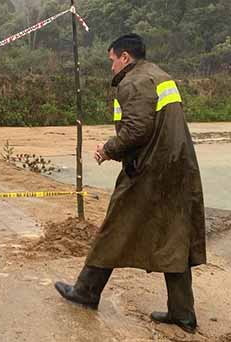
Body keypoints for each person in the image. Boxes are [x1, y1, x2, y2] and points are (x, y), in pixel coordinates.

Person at [54, 34, 206, 334]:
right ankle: (183, 314)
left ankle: (86, 292)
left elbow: (137, 128)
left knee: (114, 227)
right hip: (179, 168)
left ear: (125, 57)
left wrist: (108, 149)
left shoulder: (133, 82)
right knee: (175, 236)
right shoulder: (160, 76)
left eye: (112, 60)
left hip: (149, 171)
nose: (111, 67)